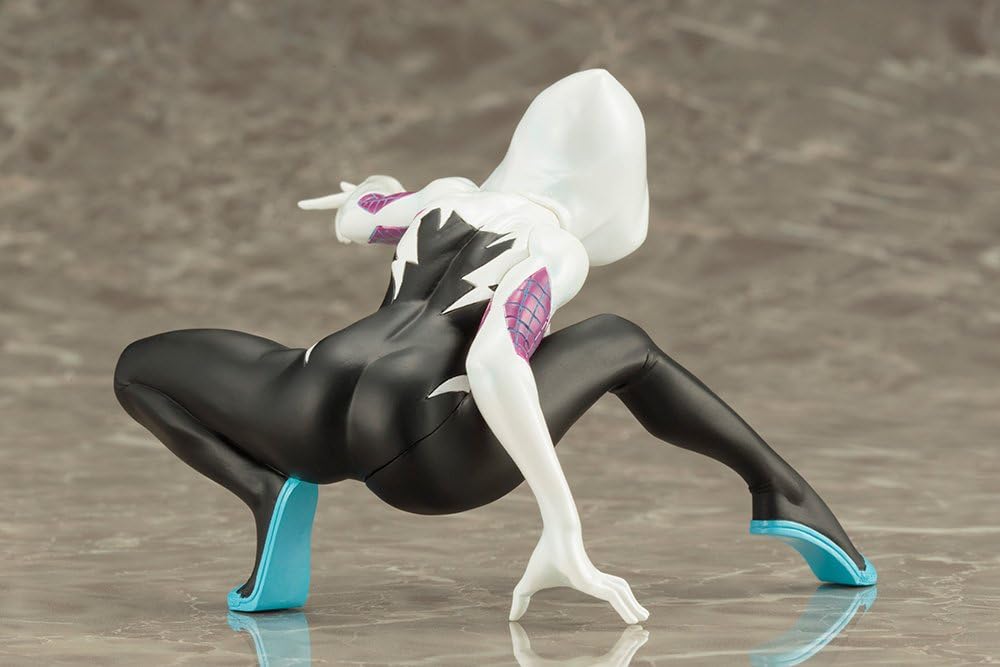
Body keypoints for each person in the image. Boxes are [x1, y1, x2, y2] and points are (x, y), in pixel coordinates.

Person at [114, 70, 875, 624]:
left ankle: (263, 487)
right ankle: (781, 492)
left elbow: (361, 217)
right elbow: (492, 360)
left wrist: (366, 191)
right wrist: (561, 523)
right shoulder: (552, 247)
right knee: (620, 340)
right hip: (425, 452)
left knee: (141, 370)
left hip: (304, 404)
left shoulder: (446, 196)